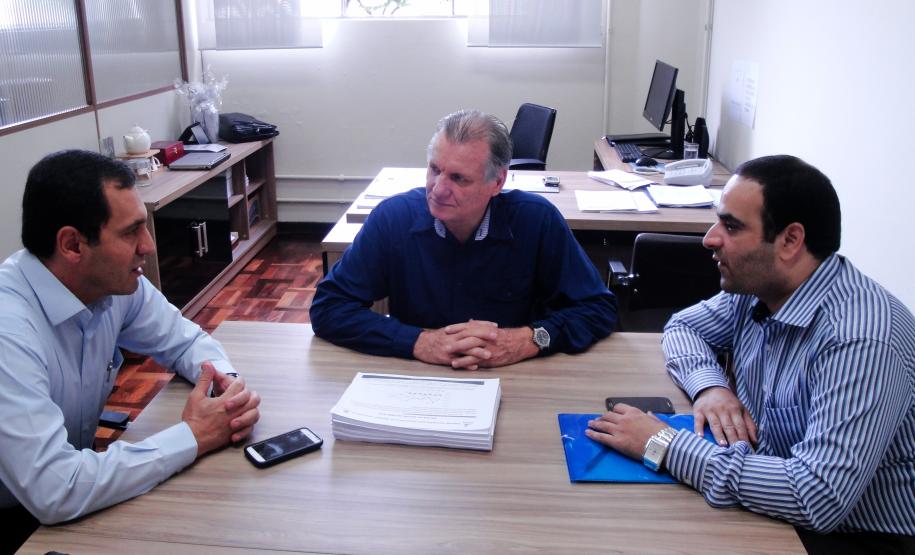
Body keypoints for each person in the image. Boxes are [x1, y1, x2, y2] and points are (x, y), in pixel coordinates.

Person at [586, 155, 914, 553]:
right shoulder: (761, 289)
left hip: (856, 536)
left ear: (790, 241)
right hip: (775, 494)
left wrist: (664, 445)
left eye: (731, 226)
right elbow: (683, 328)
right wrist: (711, 388)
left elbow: (818, 497)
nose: (710, 238)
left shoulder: (859, 340)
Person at [0, 150, 261, 551]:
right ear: (72, 244)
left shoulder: (112, 284)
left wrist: (225, 392)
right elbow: (54, 488)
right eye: (131, 232)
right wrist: (193, 436)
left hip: (61, 500)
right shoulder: (9, 328)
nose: (149, 246)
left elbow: (186, 340)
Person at [311, 109, 616, 369]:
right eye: (434, 170)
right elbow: (329, 307)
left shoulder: (535, 221)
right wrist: (418, 341)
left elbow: (598, 308)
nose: (438, 189)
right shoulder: (394, 219)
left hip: (516, 376)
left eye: (458, 178)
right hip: (419, 375)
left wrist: (530, 339)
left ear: (497, 182)